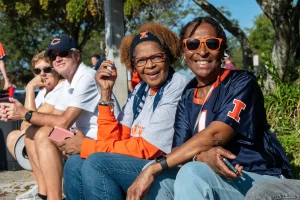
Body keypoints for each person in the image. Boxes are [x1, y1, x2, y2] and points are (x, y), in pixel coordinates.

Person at [127, 16, 292, 200]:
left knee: (189, 173)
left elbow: (215, 136)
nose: (202, 51)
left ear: (222, 50)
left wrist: (156, 166)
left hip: (260, 178)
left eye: (212, 44)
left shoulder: (241, 83)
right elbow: (178, 152)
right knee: (158, 179)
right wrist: (200, 158)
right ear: (184, 51)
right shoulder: (188, 94)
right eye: (193, 44)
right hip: (217, 178)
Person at [63, 22, 189, 200]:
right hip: (139, 162)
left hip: (165, 167)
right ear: (133, 65)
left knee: (96, 162)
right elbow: (113, 139)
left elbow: (148, 149)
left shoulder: (176, 84)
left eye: (156, 57)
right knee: (74, 163)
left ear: (167, 57)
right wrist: (106, 93)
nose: (150, 65)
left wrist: (86, 146)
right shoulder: (140, 90)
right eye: (141, 61)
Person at [0, 35, 120, 200]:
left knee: (44, 134)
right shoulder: (70, 82)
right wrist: (20, 113)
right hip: (82, 137)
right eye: (52, 56)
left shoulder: (85, 77)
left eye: (62, 53)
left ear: (77, 55)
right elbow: (53, 117)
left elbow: (64, 121)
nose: (57, 59)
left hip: (100, 142)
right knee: (35, 132)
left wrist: (24, 114)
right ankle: (44, 194)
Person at [6, 51, 65, 200]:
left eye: (47, 69)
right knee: (14, 137)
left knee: (35, 132)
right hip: (55, 133)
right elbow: (24, 126)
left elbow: (29, 121)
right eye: (37, 71)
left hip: (71, 136)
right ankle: (42, 187)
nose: (42, 75)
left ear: (56, 69)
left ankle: (48, 192)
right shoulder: (44, 92)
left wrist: (30, 88)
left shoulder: (62, 88)